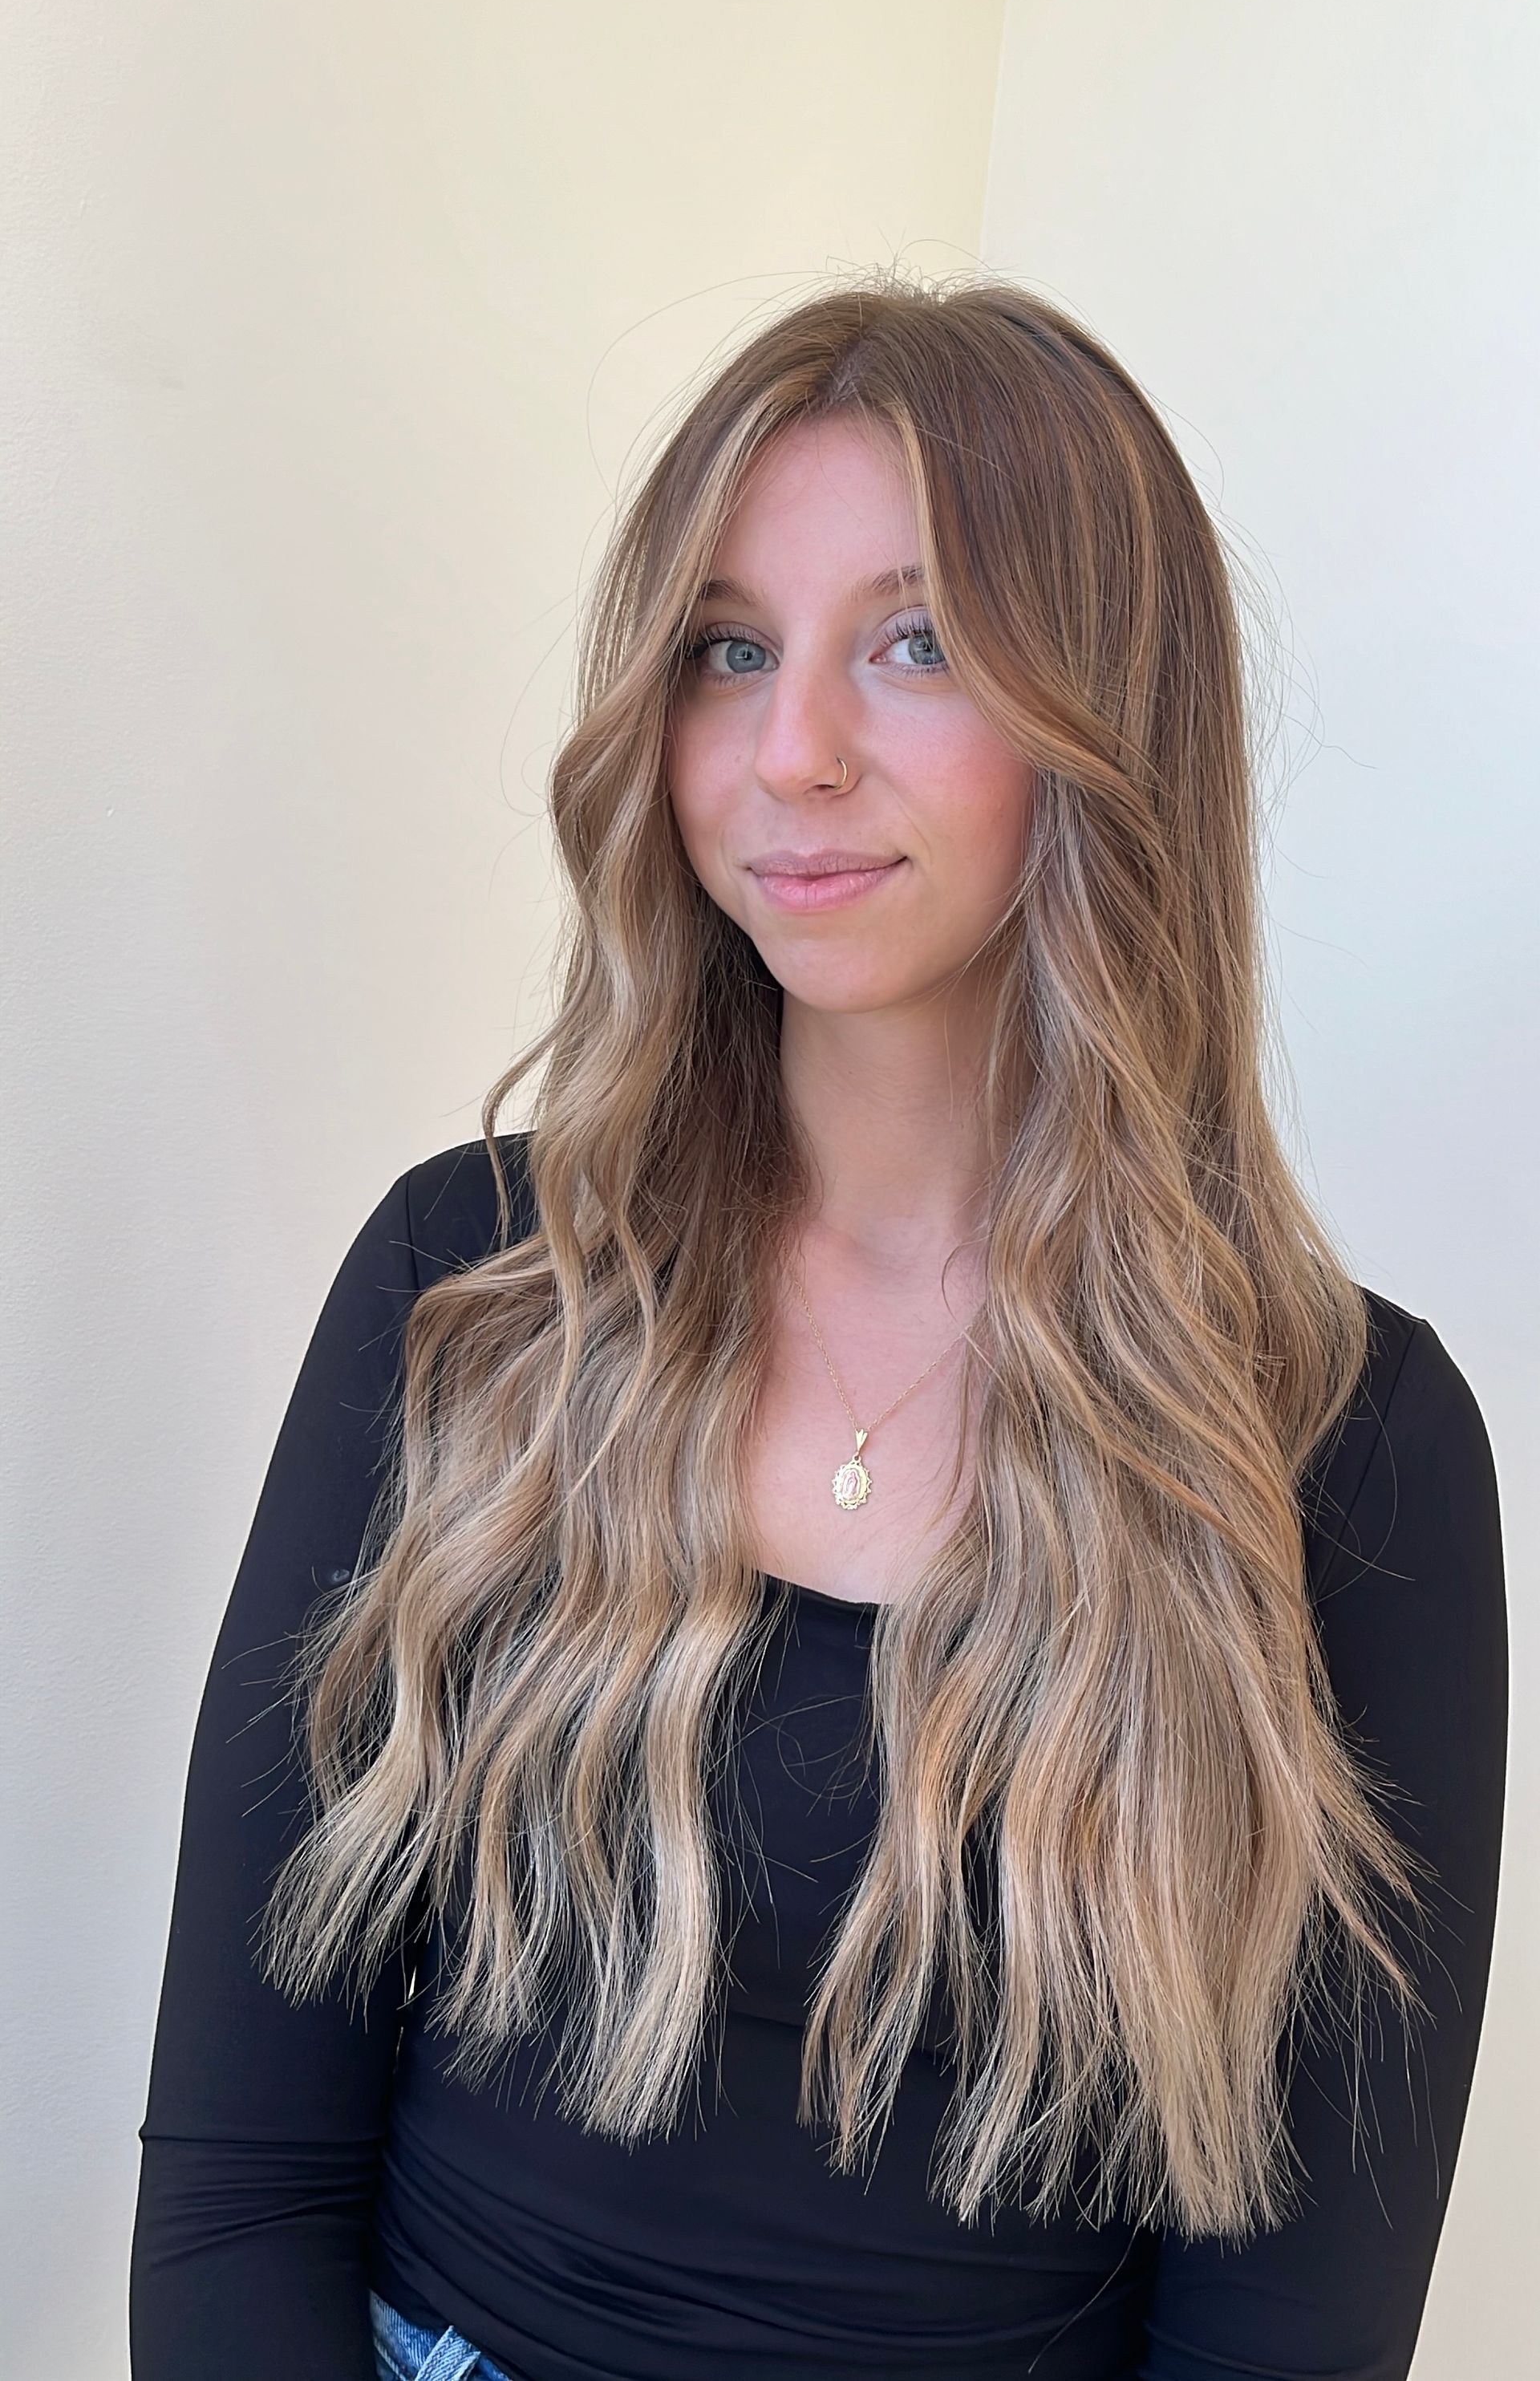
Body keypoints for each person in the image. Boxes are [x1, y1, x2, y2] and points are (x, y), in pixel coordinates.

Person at [129, 278, 1507, 2381]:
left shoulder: (1348, 1443)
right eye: (728, 650)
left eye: (918, 640)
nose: (790, 753)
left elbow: (1294, 2322)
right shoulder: (466, 1292)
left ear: (1109, 720)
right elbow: (241, 2192)